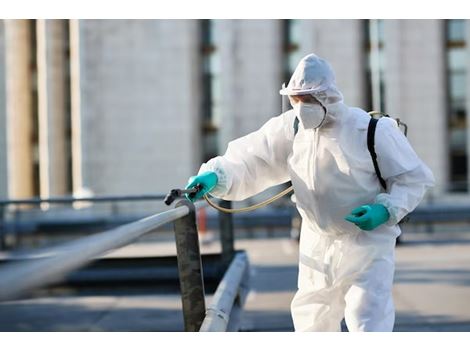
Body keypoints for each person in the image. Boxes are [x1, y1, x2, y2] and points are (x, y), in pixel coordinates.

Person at [185, 53, 435, 332]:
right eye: (297, 98)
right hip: (316, 240)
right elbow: (251, 160)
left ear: (328, 96)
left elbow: (413, 178)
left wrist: (385, 210)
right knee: (312, 324)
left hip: (367, 241)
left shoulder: (370, 130)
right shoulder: (291, 129)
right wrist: (216, 176)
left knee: (368, 320)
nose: (302, 105)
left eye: (309, 97)